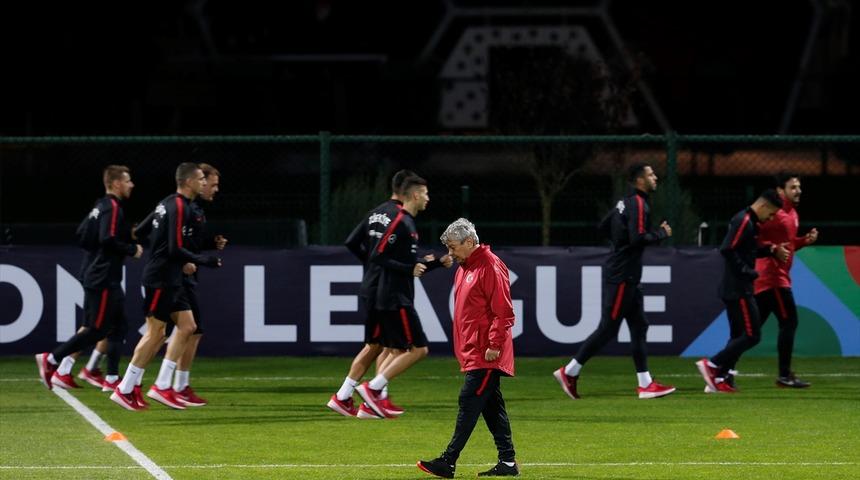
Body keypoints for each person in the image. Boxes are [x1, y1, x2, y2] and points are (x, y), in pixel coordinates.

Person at [553, 163, 676, 400]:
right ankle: (570, 371)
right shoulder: (639, 203)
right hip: (623, 275)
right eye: (651, 175)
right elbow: (638, 237)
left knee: (639, 326)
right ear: (640, 180)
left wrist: (619, 245)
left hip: (626, 274)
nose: (655, 178)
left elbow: (603, 227)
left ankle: (645, 384)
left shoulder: (624, 202)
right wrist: (661, 234)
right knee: (608, 328)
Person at [110, 162, 221, 410]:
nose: (204, 183)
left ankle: (156, 385)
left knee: (188, 326)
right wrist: (204, 259)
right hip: (161, 277)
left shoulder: (167, 202)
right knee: (156, 333)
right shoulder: (180, 205)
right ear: (189, 182)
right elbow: (174, 247)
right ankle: (127, 387)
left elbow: (140, 231)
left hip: (169, 276)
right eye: (202, 179)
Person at [417, 218, 518, 479]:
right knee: (491, 406)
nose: (450, 253)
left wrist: (494, 344)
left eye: (453, 247)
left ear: (470, 242)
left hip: (486, 351)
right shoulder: (466, 266)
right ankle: (507, 462)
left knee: (469, 400)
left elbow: (504, 312)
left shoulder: (490, 266)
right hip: (474, 349)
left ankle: (448, 461)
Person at [354, 175, 453, 419]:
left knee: (393, 349)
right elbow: (378, 255)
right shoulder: (400, 221)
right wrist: (408, 269)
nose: (428, 199)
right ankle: (373, 389)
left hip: (393, 294)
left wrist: (435, 263)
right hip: (395, 297)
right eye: (426, 194)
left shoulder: (405, 222)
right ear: (415, 195)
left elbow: (400, 260)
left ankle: (373, 401)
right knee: (418, 350)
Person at [36, 166, 143, 390]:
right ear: (115, 184)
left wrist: (103, 252)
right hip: (103, 277)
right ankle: (52, 359)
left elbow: (83, 236)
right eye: (127, 181)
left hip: (96, 272)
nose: (131, 185)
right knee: (97, 329)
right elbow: (107, 238)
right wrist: (130, 249)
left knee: (117, 326)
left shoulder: (100, 206)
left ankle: (111, 379)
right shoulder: (113, 207)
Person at [328, 169, 418, 418]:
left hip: (371, 284)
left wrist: (368, 264)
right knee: (393, 347)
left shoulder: (376, 212)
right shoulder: (399, 216)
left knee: (380, 345)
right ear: (408, 191)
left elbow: (350, 242)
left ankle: (352, 397)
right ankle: (369, 397)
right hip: (383, 287)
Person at [696, 189, 785, 393]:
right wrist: (747, 271)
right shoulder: (744, 220)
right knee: (752, 335)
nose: (770, 218)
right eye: (770, 214)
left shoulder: (749, 221)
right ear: (763, 206)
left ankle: (721, 379)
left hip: (735, 287)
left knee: (738, 336)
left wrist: (770, 250)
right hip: (739, 288)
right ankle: (712, 366)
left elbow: (747, 249)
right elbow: (727, 248)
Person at [170, 162, 228, 406]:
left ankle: (173, 385)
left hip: (183, 275)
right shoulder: (186, 208)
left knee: (178, 331)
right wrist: (185, 261)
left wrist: (209, 243)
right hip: (178, 277)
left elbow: (188, 241)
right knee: (189, 330)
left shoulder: (195, 209)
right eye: (210, 183)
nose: (213, 188)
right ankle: (173, 386)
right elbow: (174, 242)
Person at [754, 173, 817, 388]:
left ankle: (719, 368)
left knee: (750, 332)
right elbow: (755, 239)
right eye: (793, 187)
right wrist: (770, 251)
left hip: (773, 278)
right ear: (781, 191)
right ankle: (784, 375)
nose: (798, 190)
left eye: (799, 186)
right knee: (789, 321)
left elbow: (788, 244)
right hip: (772, 278)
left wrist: (803, 241)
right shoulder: (774, 215)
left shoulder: (793, 214)